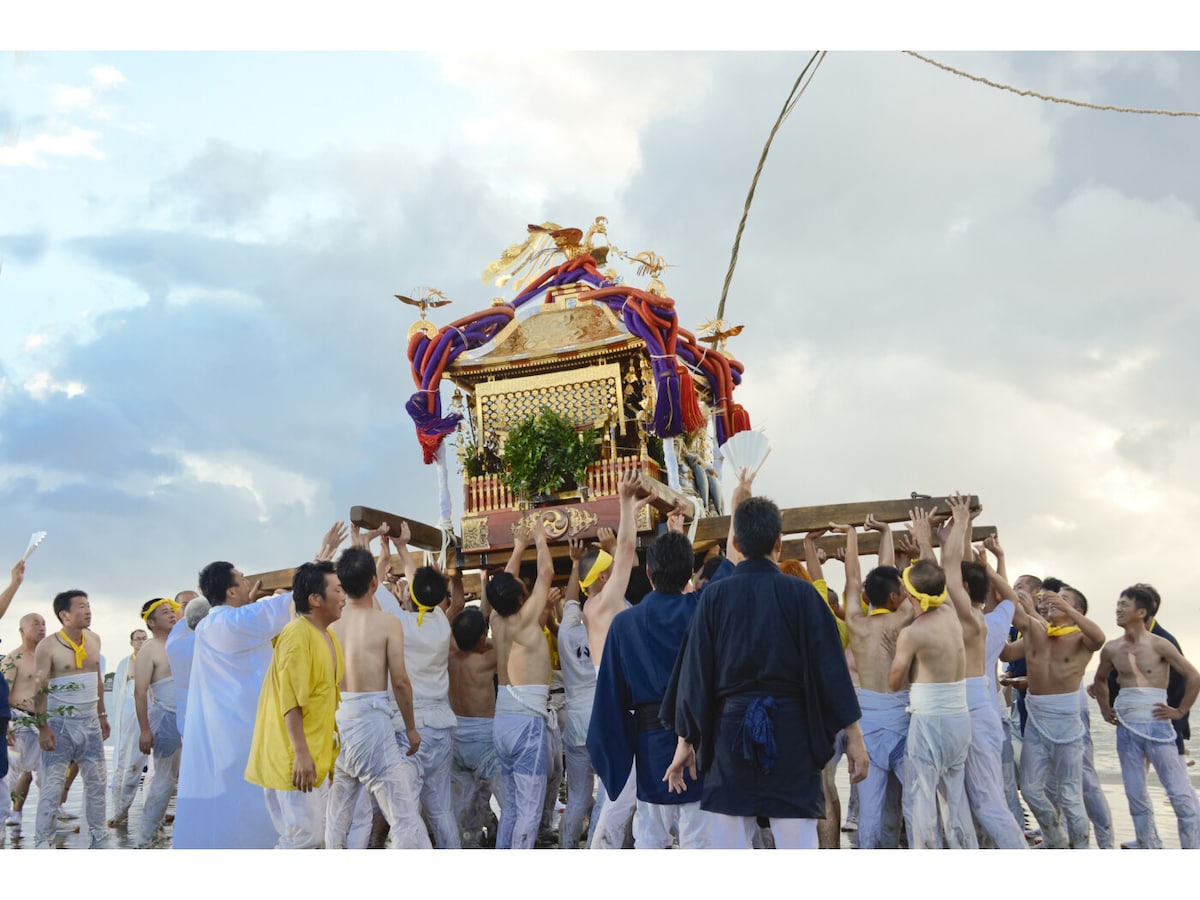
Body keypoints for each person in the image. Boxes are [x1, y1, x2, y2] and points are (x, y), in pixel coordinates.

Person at [667, 495, 868, 849]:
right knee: (797, 845)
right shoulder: (805, 597)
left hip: (730, 732)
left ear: (735, 544)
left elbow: (695, 673)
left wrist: (686, 740)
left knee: (730, 846)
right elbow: (831, 669)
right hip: (791, 731)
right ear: (779, 543)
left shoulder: (713, 598)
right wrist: (854, 736)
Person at [172, 540, 317, 849]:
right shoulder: (233, 622)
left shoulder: (212, 623)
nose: (249, 582)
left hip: (223, 727)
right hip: (243, 729)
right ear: (231, 591)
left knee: (223, 802)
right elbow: (293, 600)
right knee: (250, 801)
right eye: (243, 579)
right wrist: (321, 558)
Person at [325, 540, 431, 850]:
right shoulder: (387, 622)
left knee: (338, 813)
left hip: (339, 719)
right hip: (371, 722)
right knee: (404, 816)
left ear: (341, 583)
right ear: (374, 582)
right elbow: (400, 681)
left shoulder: (331, 623)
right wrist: (411, 727)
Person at [887, 497, 976, 849]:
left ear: (908, 592)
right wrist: (933, 537)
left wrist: (897, 657)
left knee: (921, 797)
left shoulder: (912, 633)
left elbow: (894, 683)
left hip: (929, 721)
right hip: (959, 717)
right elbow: (942, 569)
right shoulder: (953, 612)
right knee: (955, 797)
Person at [245, 561, 345, 849]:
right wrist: (301, 754)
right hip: (294, 757)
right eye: (337, 590)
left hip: (318, 753)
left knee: (318, 838)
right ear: (315, 599)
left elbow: (328, 698)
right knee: (304, 839)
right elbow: (291, 700)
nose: (343, 596)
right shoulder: (297, 634)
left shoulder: (327, 634)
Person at [1092, 584, 1200, 849]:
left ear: (1141, 612)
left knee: (1179, 793)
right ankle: (1149, 847)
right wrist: (1106, 710)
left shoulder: (1161, 644)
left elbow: (1193, 676)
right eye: (1117, 603)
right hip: (1127, 729)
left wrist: (1180, 711)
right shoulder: (1112, 648)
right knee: (1135, 795)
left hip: (1158, 726)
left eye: (1124, 605)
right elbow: (1100, 680)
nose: (1117, 609)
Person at [1005, 579, 1105, 848]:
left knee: (1071, 794)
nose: (1052, 602)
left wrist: (1068, 610)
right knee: (1029, 788)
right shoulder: (1037, 631)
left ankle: (1081, 847)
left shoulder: (1080, 638)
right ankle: (1055, 838)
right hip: (1036, 719)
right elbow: (1006, 652)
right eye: (1051, 600)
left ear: (1078, 611)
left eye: (1062, 600)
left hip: (1066, 723)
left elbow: (1099, 639)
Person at [385, 525, 464, 849]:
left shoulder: (400, 624)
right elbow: (421, 591)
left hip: (410, 728)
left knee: (406, 810)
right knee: (441, 809)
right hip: (442, 727)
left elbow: (376, 592)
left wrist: (395, 550)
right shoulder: (442, 622)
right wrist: (405, 551)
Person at [836, 519, 912, 849]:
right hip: (902, 718)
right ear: (896, 596)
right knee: (913, 804)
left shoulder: (856, 623)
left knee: (869, 809)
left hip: (867, 724)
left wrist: (852, 537)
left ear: (869, 597)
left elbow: (853, 581)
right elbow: (896, 580)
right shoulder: (903, 617)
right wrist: (886, 533)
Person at [487, 515, 555, 849]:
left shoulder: (495, 620)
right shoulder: (525, 621)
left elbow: (504, 583)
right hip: (527, 723)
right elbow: (546, 574)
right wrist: (540, 538)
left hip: (503, 719)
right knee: (528, 809)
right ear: (519, 600)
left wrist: (518, 546)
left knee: (512, 807)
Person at [32, 589, 109, 848]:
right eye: (81, 606)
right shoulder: (49, 645)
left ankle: (99, 837)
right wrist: (42, 727)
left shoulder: (94, 639)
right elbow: (39, 686)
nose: (88, 610)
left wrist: (102, 714)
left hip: (90, 720)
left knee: (98, 781)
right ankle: (44, 841)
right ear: (64, 615)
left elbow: (97, 678)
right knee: (53, 786)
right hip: (59, 723)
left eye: (88, 605)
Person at [449, 604, 501, 848]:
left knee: (457, 805)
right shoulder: (488, 659)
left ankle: (464, 843)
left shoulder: (448, 655)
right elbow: (506, 642)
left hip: (456, 736)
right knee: (510, 803)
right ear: (482, 636)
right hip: (484, 739)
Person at [133, 598, 183, 848]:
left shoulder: (183, 639)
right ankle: (146, 837)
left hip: (191, 718)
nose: (172, 614)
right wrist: (144, 730)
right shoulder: (150, 649)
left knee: (189, 779)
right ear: (151, 622)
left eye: (172, 610)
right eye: (165, 612)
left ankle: (184, 834)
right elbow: (140, 692)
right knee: (163, 780)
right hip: (165, 717)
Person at [4, 607, 42, 828]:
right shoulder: (13, 658)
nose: (41, 627)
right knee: (12, 773)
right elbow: (3, 693)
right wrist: (6, 724)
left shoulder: (46, 657)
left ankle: (53, 809)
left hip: (42, 722)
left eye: (43, 623)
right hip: (18, 720)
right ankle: (11, 812)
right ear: (22, 630)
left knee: (44, 771)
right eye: (35, 623)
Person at [108, 628, 149, 827]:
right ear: (131, 642)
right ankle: (118, 800)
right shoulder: (125, 663)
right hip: (128, 707)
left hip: (149, 706)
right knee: (124, 750)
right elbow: (118, 691)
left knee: (144, 755)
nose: (141, 642)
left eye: (144, 638)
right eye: (138, 639)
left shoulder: (153, 658)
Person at [164, 593, 210, 740]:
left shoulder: (175, 638)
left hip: (201, 721)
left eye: (194, 603)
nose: (191, 607)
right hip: (195, 721)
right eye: (185, 605)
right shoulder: (177, 641)